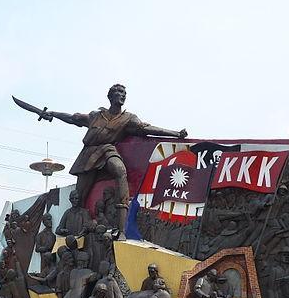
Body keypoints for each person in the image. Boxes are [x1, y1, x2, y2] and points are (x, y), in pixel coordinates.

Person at [40, 84, 187, 237]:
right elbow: (73, 118)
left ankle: (122, 229)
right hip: (89, 154)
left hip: (108, 150)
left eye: (124, 93)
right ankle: (78, 232)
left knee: (120, 171)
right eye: (119, 92)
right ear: (110, 97)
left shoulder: (128, 118)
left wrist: (175, 133)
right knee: (80, 195)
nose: (122, 95)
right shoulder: (96, 115)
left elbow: (146, 128)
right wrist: (51, 114)